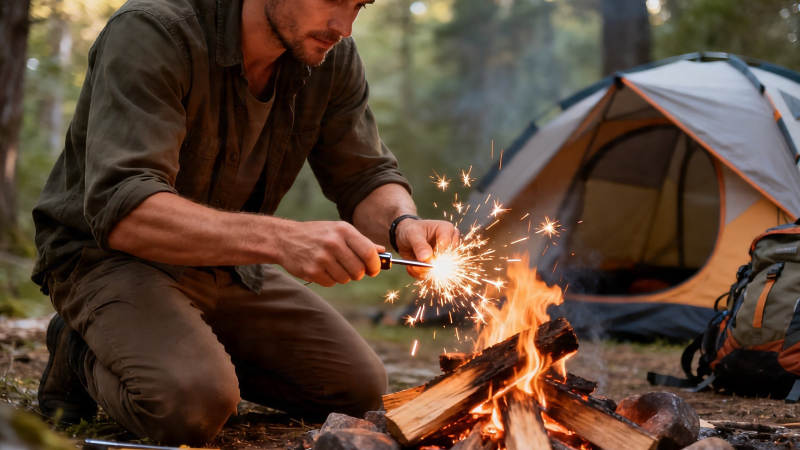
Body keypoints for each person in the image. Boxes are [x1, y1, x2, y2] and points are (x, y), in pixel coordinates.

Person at [32, 0, 457, 444]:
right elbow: (125, 210)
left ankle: (176, 339)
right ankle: (80, 348)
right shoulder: (153, 31)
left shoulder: (327, 57)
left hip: (229, 267)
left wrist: (402, 223)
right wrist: (283, 240)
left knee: (356, 390)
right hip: (109, 259)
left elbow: (365, 174)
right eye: (333, 0)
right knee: (192, 407)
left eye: (359, 5)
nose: (344, 27)